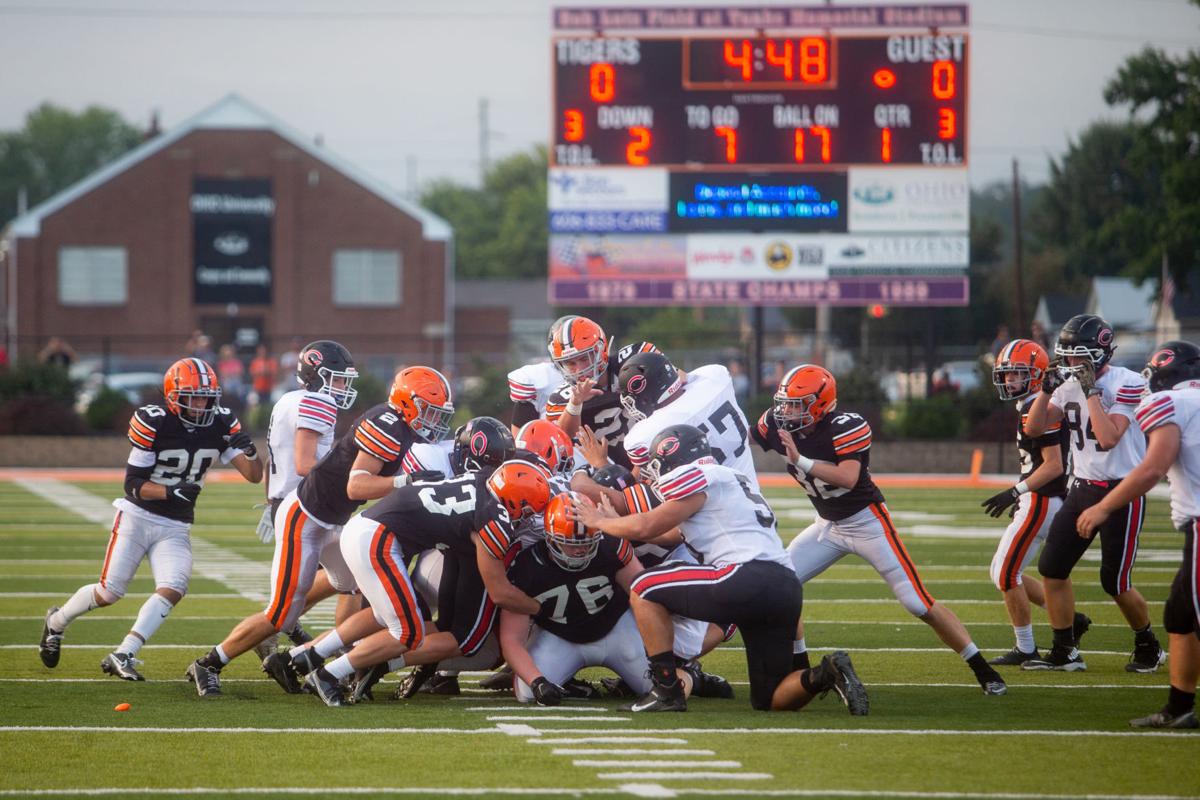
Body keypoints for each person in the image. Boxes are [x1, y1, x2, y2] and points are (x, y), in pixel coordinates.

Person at [185, 366, 454, 696]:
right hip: (306, 518)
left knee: (362, 589)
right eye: (428, 409)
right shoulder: (386, 426)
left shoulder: (402, 427)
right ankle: (209, 662)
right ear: (406, 402)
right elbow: (357, 486)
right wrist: (405, 481)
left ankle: (325, 661)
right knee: (281, 615)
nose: (433, 419)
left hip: (335, 522)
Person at [572, 424, 868, 714]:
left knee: (644, 587)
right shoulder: (735, 480)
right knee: (771, 698)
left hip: (745, 576)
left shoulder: (696, 474)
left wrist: (599, 522)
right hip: (786, 587)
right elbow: (667, 534)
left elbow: (650, 524)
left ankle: (665, 691)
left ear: (672, 456)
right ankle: (825, 674)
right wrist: (615, 525)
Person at [752, 364, 1007, 696]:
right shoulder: (775, 423)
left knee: (918, 604)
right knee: (781, 587)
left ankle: (982, 669)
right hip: (827, 526)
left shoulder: (846, 426)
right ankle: (800, 668)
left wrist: (800, 460)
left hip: (867, 523)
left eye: (797, 404)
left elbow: (848, 478)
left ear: (820, 403)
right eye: (784, 403)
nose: (787, 411)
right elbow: (740, 439)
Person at [39, 358, 263, 679]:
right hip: (137, 516)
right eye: (193, 396)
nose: (201, 404)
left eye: (206, 396)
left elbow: (253, 476)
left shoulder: (221, 422)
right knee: (109, 593)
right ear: (173, 396)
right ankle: (56, 622)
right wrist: (170, 492)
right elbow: (133, 484)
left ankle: (124, 653)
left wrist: (251, 452)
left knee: (174, 586)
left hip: (176, 525)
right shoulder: (155, 421)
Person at [1023, 314, 1165, 672]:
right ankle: (1065, 650)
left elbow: (1108, 437)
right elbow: (1035, 429)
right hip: (1083, 487)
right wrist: (1044, 389)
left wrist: (1090, 393)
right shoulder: (1066, 384)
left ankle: (1147, 641)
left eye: (1078, 356)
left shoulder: (1128, 382)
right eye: (1066, 356)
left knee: (1114, 581)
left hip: (1122, 490)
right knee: (1052, 568)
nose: (1071, 364)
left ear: (1099, 353)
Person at [1077, 341, 1200, 728]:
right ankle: (1179, 708)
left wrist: (1103, 506)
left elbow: (1152, 469)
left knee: (1194, 614)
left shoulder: (1173, 404)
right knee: (1179, 616)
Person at [252, 340, 359, 662]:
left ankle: (296, 630)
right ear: (316, 374)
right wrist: (352, 478)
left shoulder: (289, 399)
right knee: (347, 576)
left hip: (288, 500)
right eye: (337, 378)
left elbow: (273, 460)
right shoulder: (316, 402)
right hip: (307, 506)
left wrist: (272, 500)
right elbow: (304, 463)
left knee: (349, 577)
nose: (342, 387)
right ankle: (339, 648)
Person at [983, 339, 1084, 665]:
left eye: (1017, 374)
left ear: (1038, 375)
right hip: (1040, 497)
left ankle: (1026, 647)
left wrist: (1017, 491)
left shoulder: (1037, 407)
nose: (1010, 380)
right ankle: (1070, 619)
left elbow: (1053, 465)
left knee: (1005, 574)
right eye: (1007, 374)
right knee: (1003, 570)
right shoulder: (1032, 405)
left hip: (1042, 499)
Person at [502, 492, 652, 705]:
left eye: (586, 542)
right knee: (528, 692)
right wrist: (537, 682)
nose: (580, 550)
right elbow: (511, 639)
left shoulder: (610, 546)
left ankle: (696, 678)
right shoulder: (527, 567)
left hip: (617, 629)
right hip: (559, 636)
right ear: (550, 537)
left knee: (659, 685)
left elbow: (645, 595)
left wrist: (659, 651)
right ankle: (570, 687)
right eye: (570, 543)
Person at [543, 315, 661, 469]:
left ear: (601, 350)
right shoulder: (561, 399)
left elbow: (677, 380)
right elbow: (562, 438)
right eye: (570, 363)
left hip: (657, 448)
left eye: (585, 358)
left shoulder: (634, 360)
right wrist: (575, 404)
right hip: (609, 471)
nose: (579, 370)